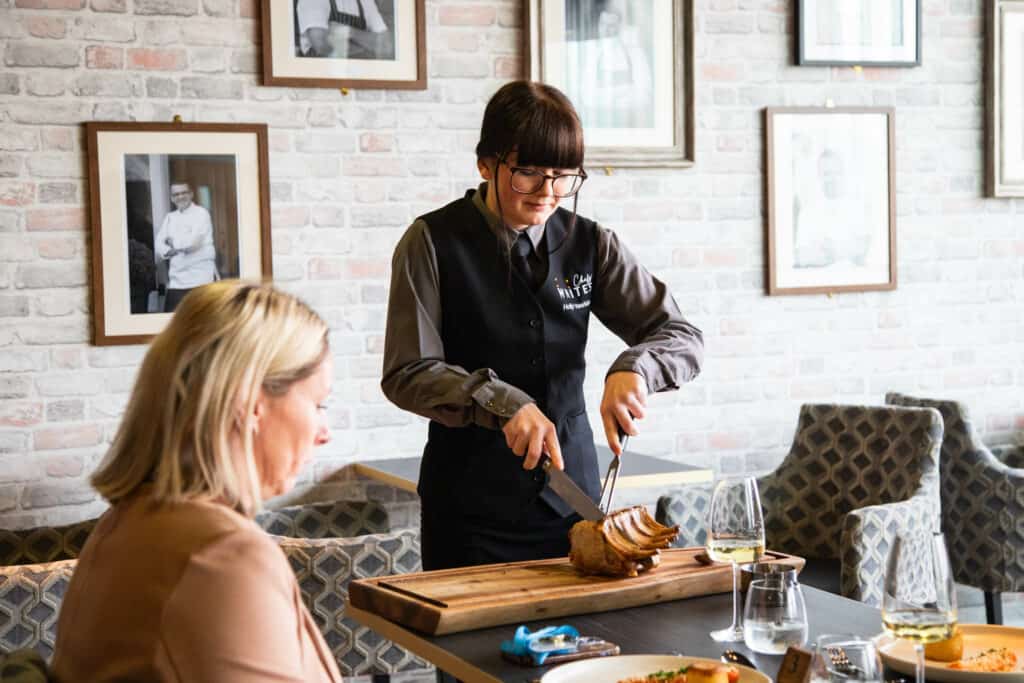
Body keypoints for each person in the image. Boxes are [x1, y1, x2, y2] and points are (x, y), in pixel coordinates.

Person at [381, 80, 703, 571]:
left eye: (563, 176)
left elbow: (681, 335)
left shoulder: (592, 245)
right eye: (527, 173)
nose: (547, 193)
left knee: (588, 647)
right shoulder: (431, 242)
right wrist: (502, 402)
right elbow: (407, 371)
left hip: (573, 509)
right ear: (486, 164)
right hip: (468, 513)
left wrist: (636, 369)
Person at [51, 281, 341, 683]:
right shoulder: (224, 557)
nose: (324, 431)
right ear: (251, 404)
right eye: (318, 404)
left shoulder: (125, 524)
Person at [154, 182, 218, 313]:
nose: (180, 197)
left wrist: (173, 242)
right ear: (172, 198)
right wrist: (168, 249)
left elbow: (192, 244)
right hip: (177, 280)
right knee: (171, 321)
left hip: (200, 279)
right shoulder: (170, 217)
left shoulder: (202, 214)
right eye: (176, 194)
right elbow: (159, 243)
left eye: (184, 193)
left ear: (191, 194)